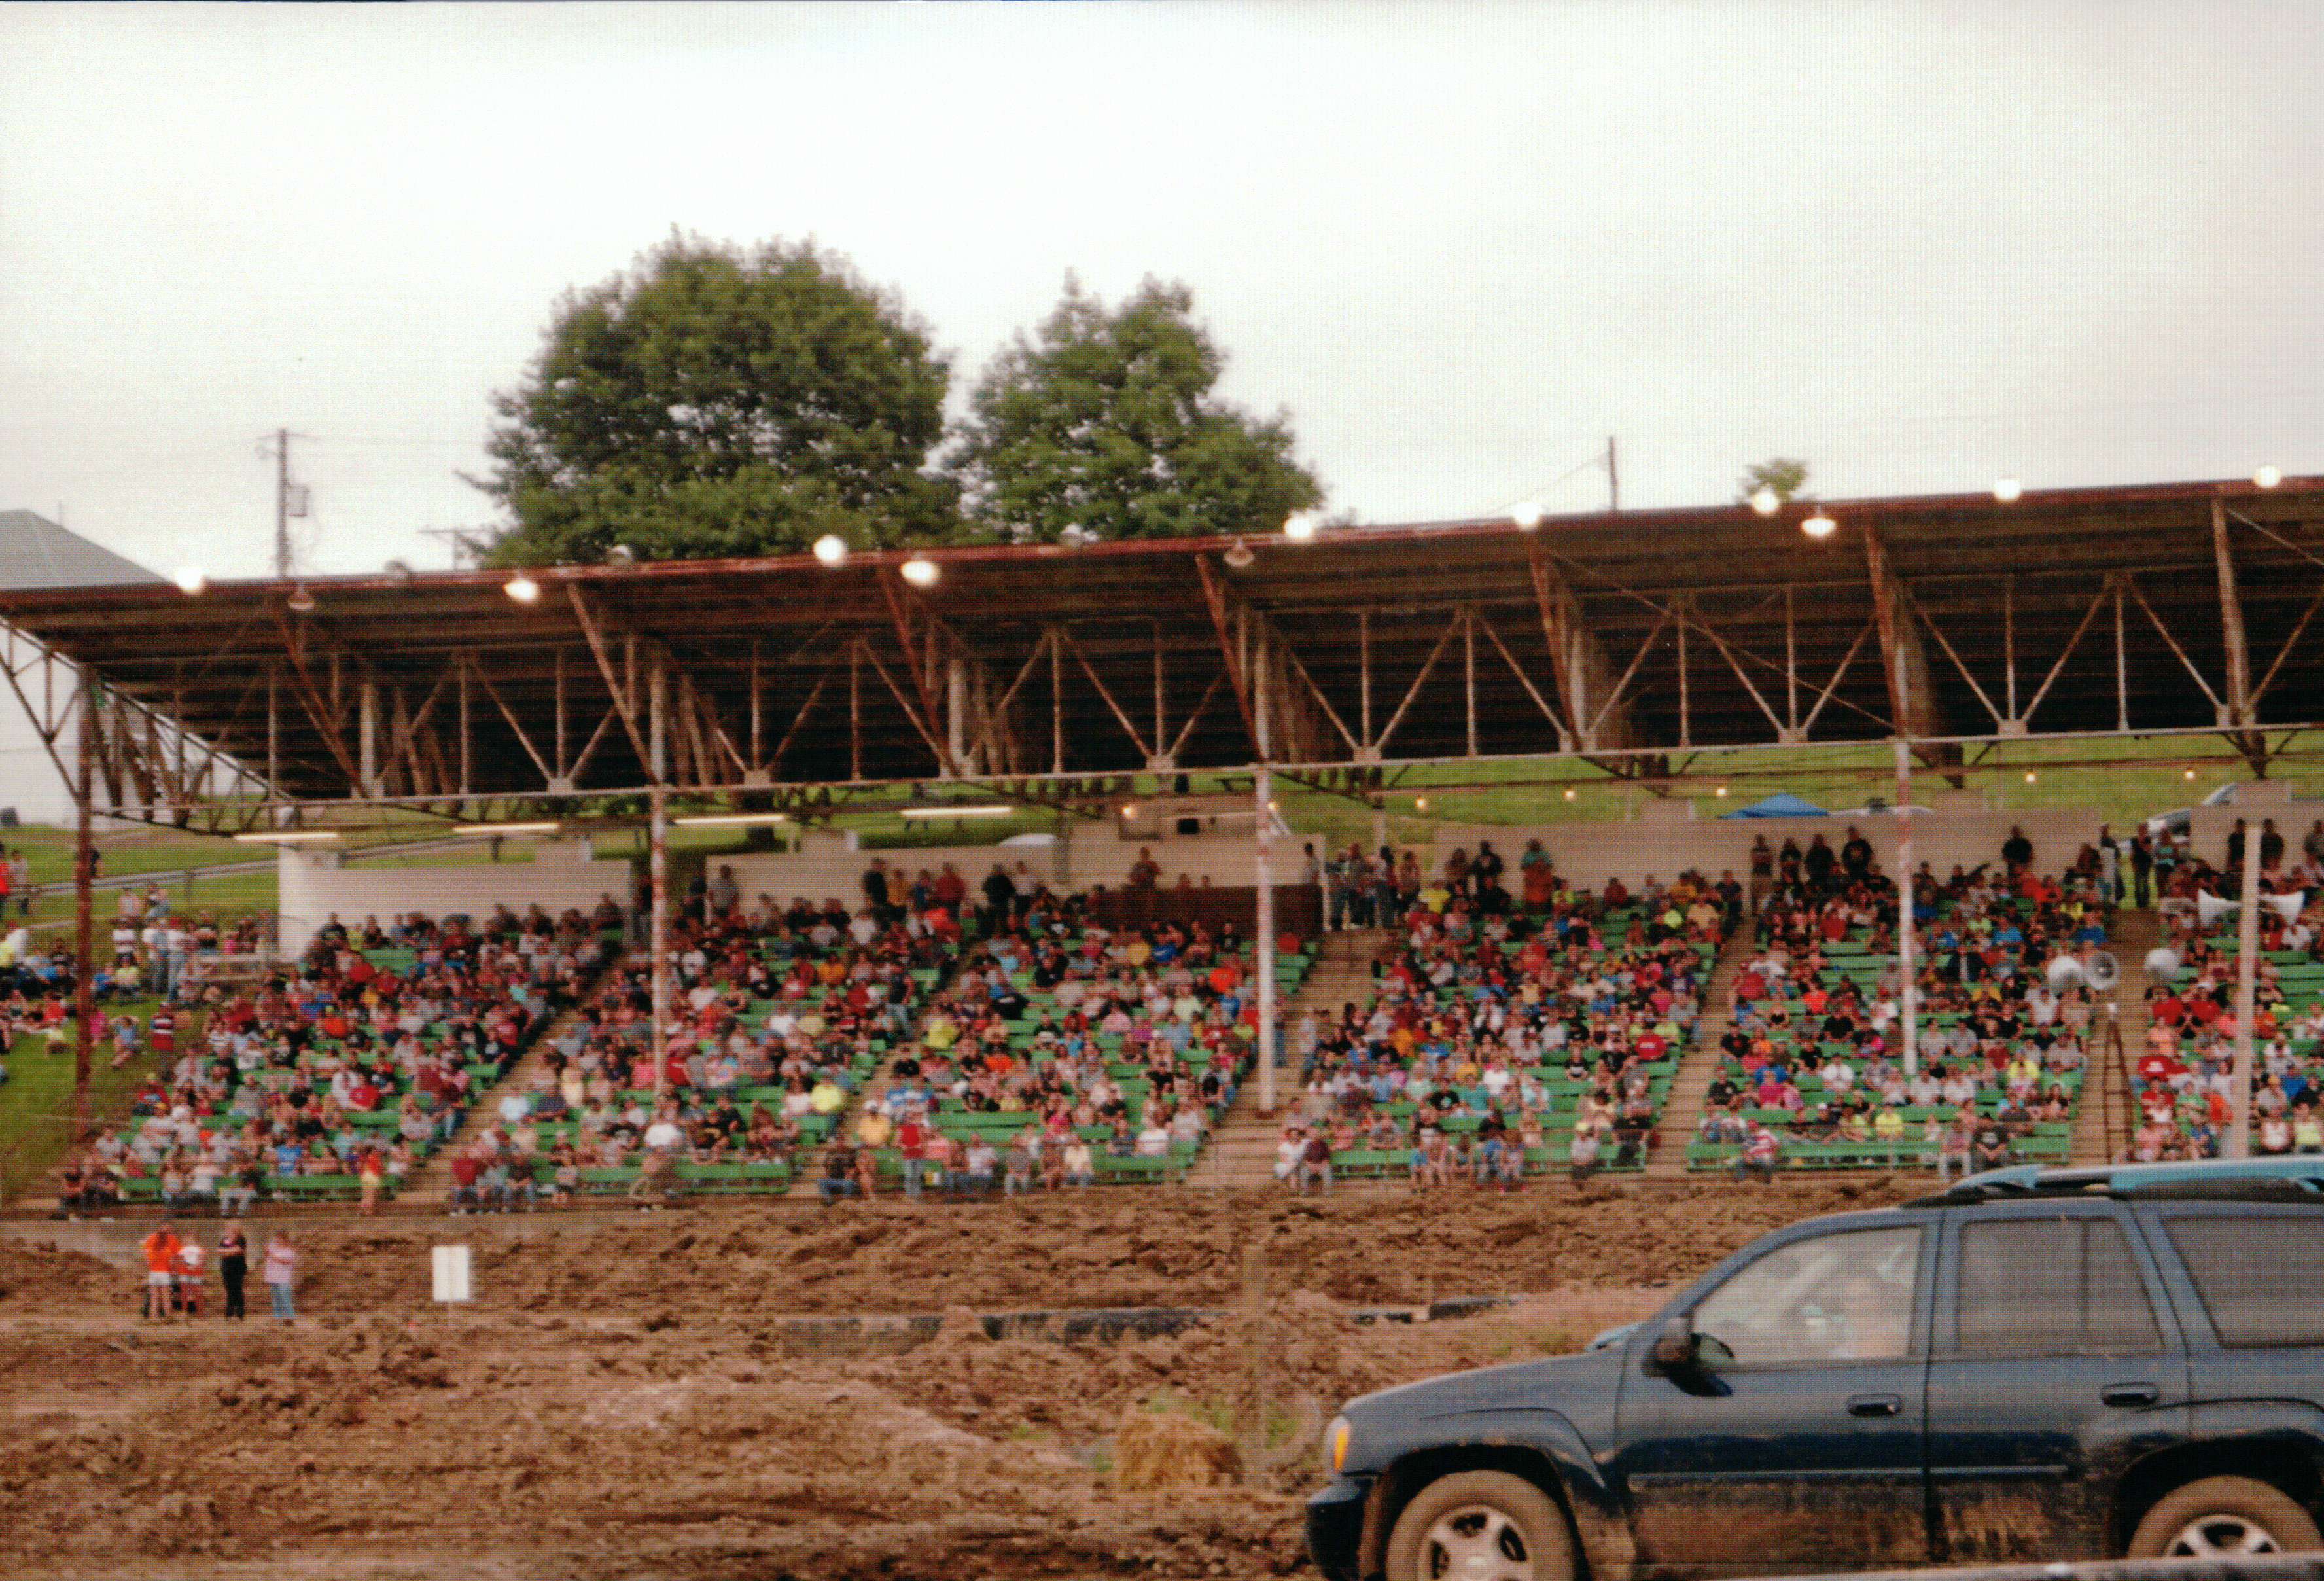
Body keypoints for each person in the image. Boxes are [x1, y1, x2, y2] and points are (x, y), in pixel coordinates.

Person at [140, 1219, 183, 1322]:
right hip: (164, 1274)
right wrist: (173, 1269)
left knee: (155, 1296)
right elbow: (173, 1261)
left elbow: (147, 1260)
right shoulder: (168, 1252)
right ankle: (168, 1315)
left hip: (154, 1273)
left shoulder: (152, 1250)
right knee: (166, 1296)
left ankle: (153, 1316)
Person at [262, 1230, 296, 1323]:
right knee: (276, 1300)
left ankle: (290, 1317)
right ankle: (278, 1317)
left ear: (285, 1240)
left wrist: (271, 1255)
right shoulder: (274, 1250)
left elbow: (285, 1261)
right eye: (276, 1238)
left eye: (280, 1239)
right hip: (274, 1279)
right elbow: (267, 1259)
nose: (277, 1241)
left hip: (283, 1280)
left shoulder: (289, 1252)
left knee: (285, 1298)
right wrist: (267, 1252)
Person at [218, 1220, 249, 1321]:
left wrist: (227, 1252)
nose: (226, 1229)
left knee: (238, 1290)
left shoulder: (241, 1239)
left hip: (238, 1268)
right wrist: (230, 1252)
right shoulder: (225, 1239)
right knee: (229, 1291)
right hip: (227, 1268)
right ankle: (229, 1314)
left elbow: (239, 1250)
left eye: (228, 1227)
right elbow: (219, 1250)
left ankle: (240, 1314)